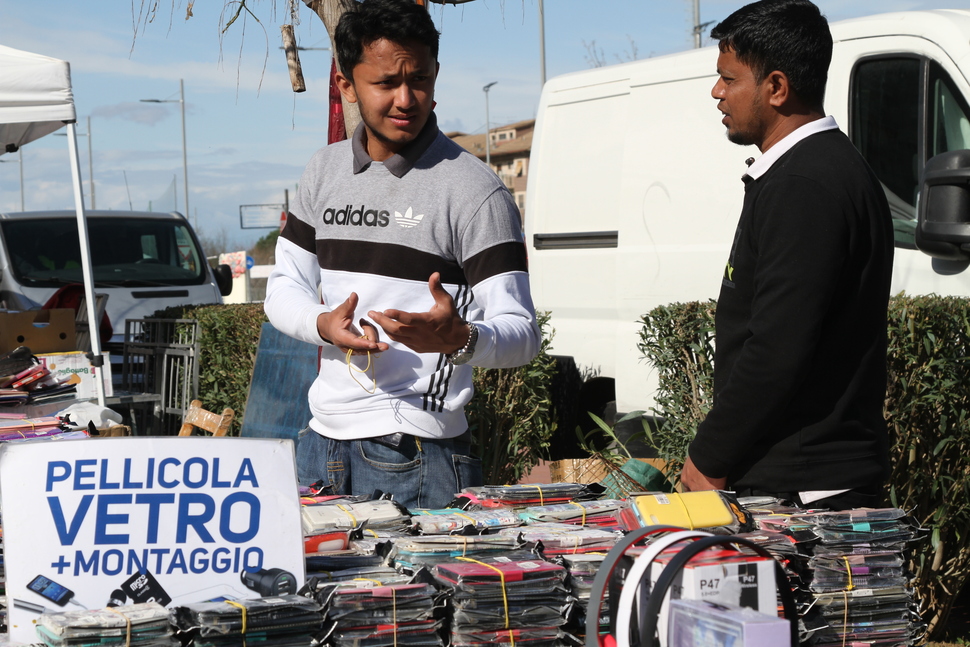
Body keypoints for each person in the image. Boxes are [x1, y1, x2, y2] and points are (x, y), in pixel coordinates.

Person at [264, 0, 540, 510]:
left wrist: (460, 338)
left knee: (413, 594)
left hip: (418, 450)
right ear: (346, 85)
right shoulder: (322, 173)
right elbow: (282, 290)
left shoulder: (476, 191)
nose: (407, 98)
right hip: (319, 444)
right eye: (387, 82)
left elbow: (522, 335)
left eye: (421, 79)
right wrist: (323, 324)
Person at [680, 0, 894, 510]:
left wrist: (708, 457)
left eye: (729, 79)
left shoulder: (803, 184)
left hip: (806, 490)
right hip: (810, 477)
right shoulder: (818, 170)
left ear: (776, 87)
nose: (717, 93)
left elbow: (776, 346)